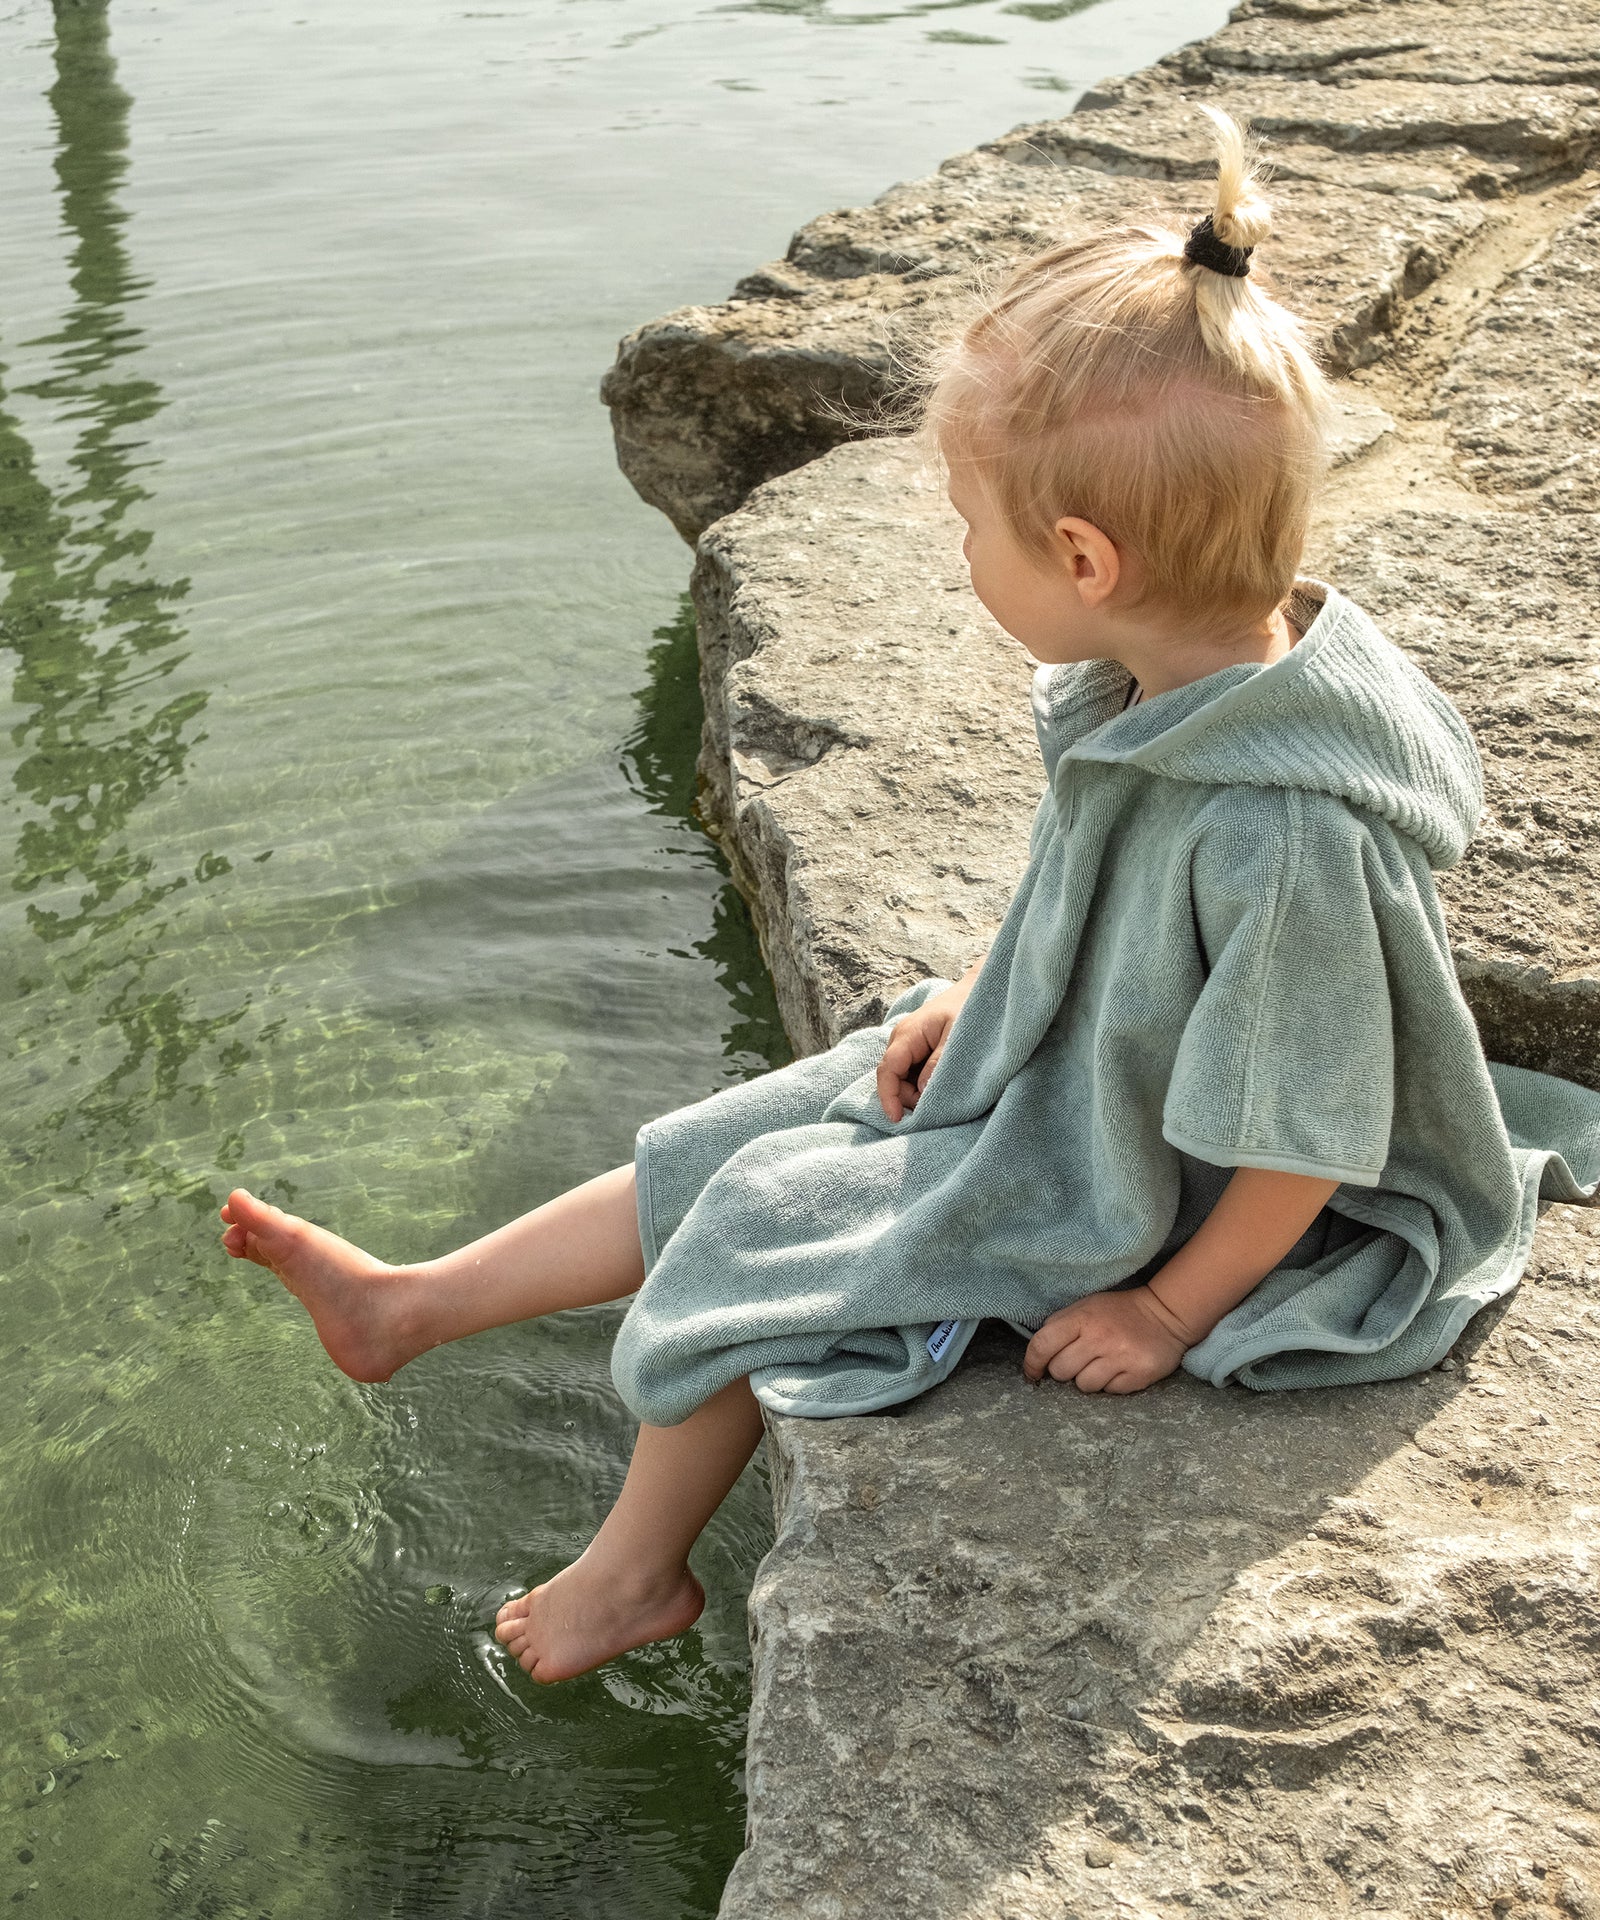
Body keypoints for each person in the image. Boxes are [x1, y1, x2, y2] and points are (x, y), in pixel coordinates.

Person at [220, 110, 1600, 1684]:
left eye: (965, 524)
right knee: (768, 1118)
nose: (957, 553)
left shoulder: (1283, 831)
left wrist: (1164, 1310)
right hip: (1115, 1093)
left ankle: (631, 1575)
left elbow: (1305, 1129)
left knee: (772, 1225)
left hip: (1207, 1197)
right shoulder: (1171, 683)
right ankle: (418, 1305)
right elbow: (1104, 900)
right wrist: (990, 993)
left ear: (1084, 558)